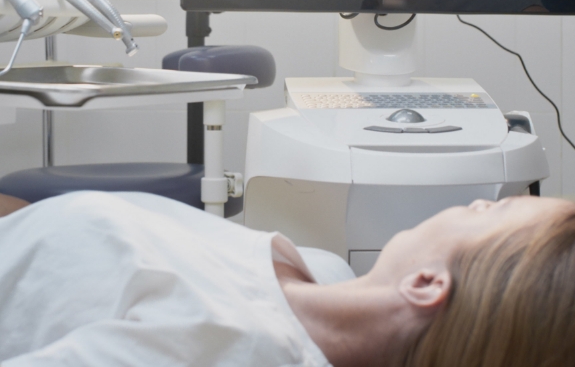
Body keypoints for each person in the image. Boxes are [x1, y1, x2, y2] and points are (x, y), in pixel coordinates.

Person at [0, 190, 574, 367]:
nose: (475, 200)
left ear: (425, 284)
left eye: (486, 213)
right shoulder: (323, 271)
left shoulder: (210, 344)